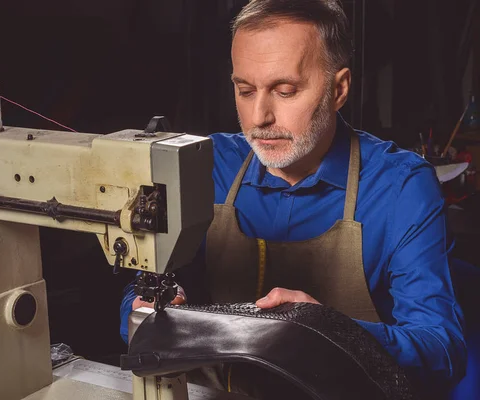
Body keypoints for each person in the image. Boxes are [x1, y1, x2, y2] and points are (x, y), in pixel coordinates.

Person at [121, 0, 467, 397]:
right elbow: (141, 292)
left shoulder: (400, 187)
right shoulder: (207, 166)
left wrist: (326, 329)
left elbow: (443, 353)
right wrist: (146, 311)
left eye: (285, 91)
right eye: (245, 90)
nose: (259, 117)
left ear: (338, 89)